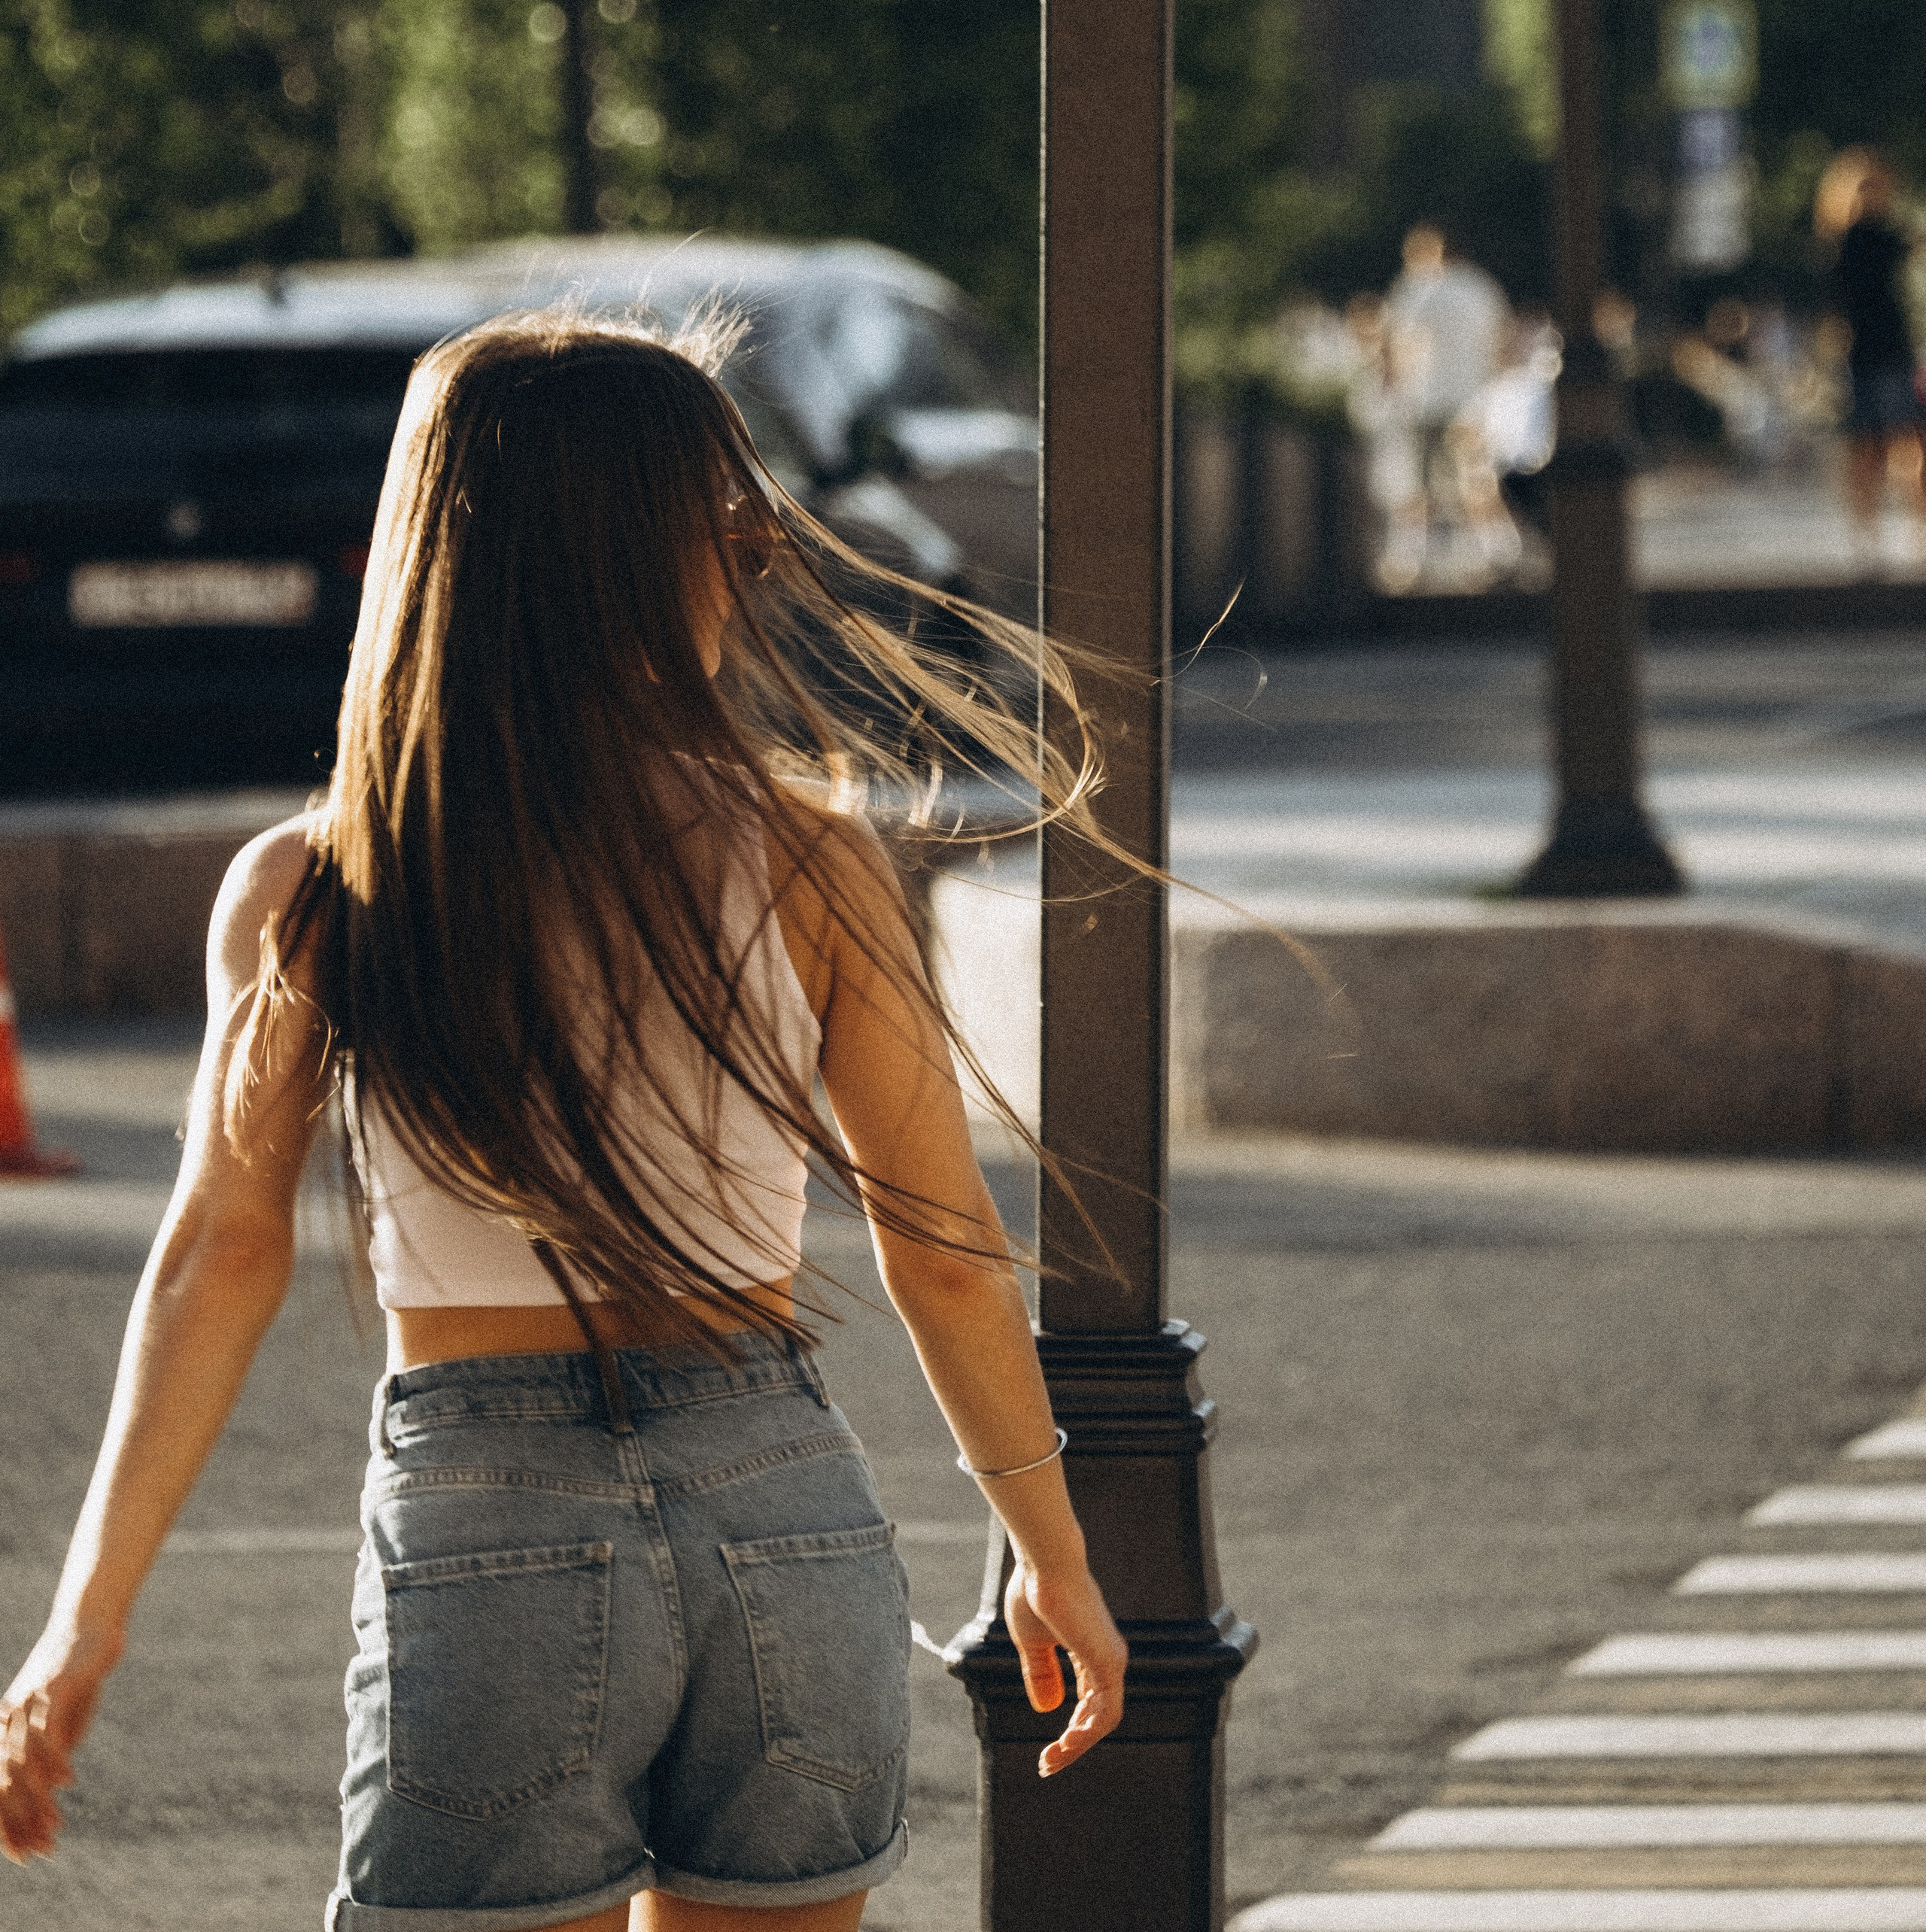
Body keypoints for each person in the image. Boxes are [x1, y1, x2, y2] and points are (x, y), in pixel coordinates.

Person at [0, 314, 1127, 1930]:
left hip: (492, 1521)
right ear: (646, 559)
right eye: (732, 530)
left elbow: (219, 1257)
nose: (747, 568)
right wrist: (1049, 1550)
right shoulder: (810, 856)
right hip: (782, 1506)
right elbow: (942, 1252)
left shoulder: (325, 883)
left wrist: (85, 1620)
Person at [1379, 225, 1510, 585]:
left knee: (1416, 482)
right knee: (1474, 481)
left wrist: (1391, 388)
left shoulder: (1416, 287)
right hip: (1472, 400)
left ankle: (1407, 562)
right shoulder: (1481, 287)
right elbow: (1501, 343)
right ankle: (1490, 555)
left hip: (1423, 399)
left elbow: (1395, 343)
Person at [1814, 147, 1926, 561]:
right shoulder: (1845, 242)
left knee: (1905, 446)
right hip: (1862, 355)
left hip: (1891, 351)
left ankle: (1914, 532)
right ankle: (1867, 538)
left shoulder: (1878, 237)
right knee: (1867, 450)